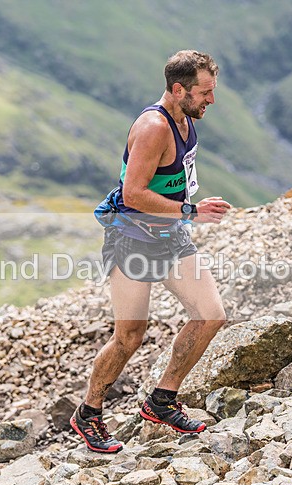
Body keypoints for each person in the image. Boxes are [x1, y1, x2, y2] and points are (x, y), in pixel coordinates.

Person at [70, 50, 232, 453]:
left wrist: (186, 207)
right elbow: (133, 193)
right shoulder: (153, 127)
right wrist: (191, 211)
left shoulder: (186, 119)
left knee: (211, 316)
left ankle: (161, 400)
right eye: (205, 93)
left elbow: (173, 176)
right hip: (131, 239)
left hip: (169, 234)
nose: (211, 100)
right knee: (129, 336)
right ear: (179, 90)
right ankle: (88, 413)